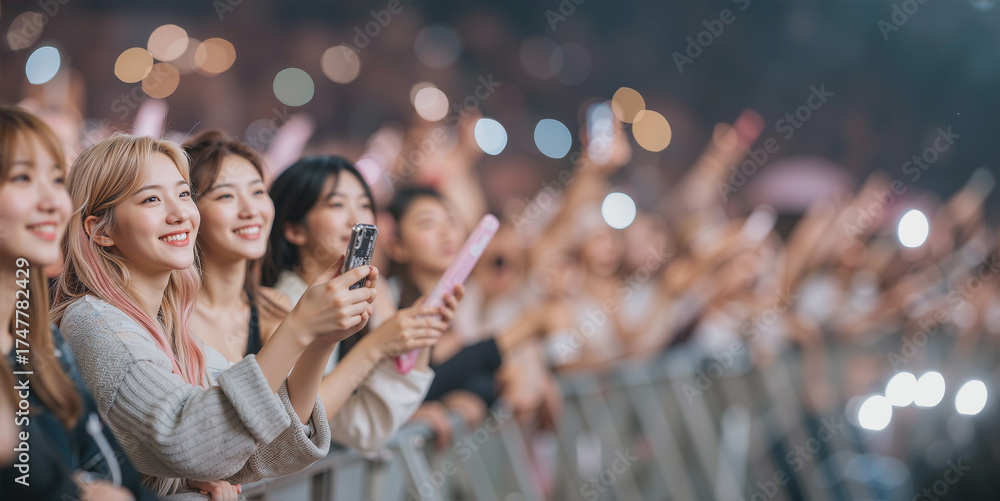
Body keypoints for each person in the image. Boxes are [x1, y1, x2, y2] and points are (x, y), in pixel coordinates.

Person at [51, 134, 378, 499]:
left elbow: (264, 447)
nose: (180, 214)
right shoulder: (96, 323)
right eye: (151, 199)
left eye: (184, 194)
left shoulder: (170, 325)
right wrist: (298, 328)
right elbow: (194, 443)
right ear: (100, 230)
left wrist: (321, 340)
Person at [0, 106, 152, 501]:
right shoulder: (89, 319)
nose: (53, 200)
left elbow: (117, 475)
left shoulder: (43, 342)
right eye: (22, 178)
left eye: (56, 178)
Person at [263, 155, 461, 454]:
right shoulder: (281, 307)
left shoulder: (365, 293)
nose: (357, 218)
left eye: (365, 205)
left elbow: (368, 421)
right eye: (337, 204)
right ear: (294, 230)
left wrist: (424, 331)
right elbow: (303, 426)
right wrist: (377, 345)